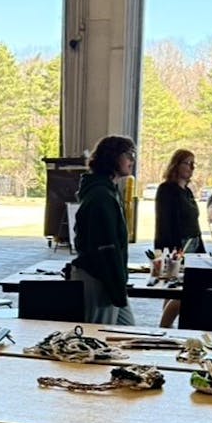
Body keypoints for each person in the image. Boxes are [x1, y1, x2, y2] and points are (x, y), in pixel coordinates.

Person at [69, 135, 136, 325]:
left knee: (128, 332)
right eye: (128, 154)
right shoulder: (101, 196)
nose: (132, 160)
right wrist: (115, 288)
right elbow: (105, 249)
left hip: (109, 278)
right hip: (98, 277)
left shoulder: (108, 191)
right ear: (113, 157)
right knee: (98, 339)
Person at [154, 148, 205, 327]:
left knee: (178, 292)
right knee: (177, 292)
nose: (191, 167)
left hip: (193, 245)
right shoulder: (166, 189)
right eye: (187, 163)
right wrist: (167, 252)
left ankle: (166, 329)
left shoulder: (187, 192)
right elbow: (164, 223)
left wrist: (202, 253)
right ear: (176, 165)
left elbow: (194, 223)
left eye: (193, 164)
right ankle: (164, 329)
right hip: (176, 248)